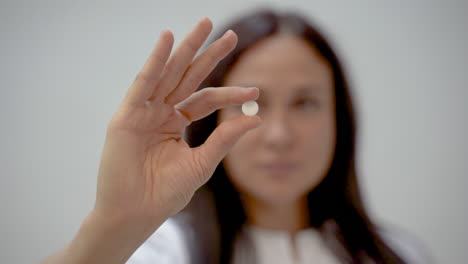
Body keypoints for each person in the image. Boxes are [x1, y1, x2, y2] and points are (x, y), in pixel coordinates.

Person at [43, 9, 430, 264]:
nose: (278, 135)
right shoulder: (162, 254)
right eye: (252, 105)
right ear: (211, 121)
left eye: (306, 103)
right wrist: (113, 223)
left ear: (340, 121)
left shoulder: (401, 255)